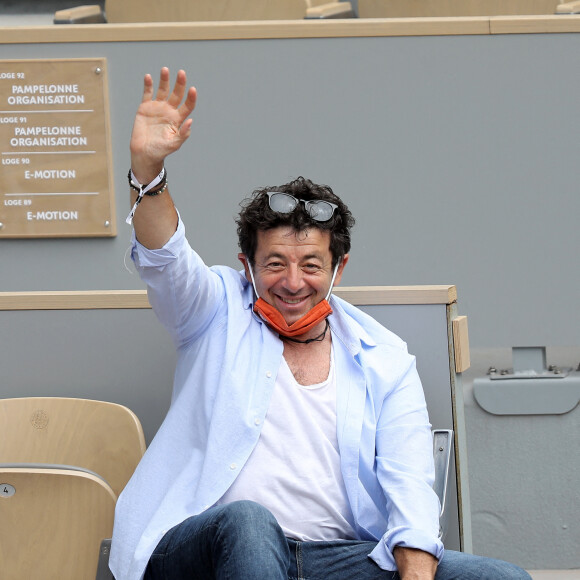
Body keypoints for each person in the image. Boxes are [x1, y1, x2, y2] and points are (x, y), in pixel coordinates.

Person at [110, 68, 531, 580]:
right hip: (203, 549)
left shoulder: (384, 355)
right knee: (249, 522)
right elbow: (165, 258)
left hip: (333, 558)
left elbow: (411, 485)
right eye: (274, 264)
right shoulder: (214, 309)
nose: (292, 282)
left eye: (310, 265)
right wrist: (147, 172)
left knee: (500, 578)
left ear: (338, 269)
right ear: (246, 265)